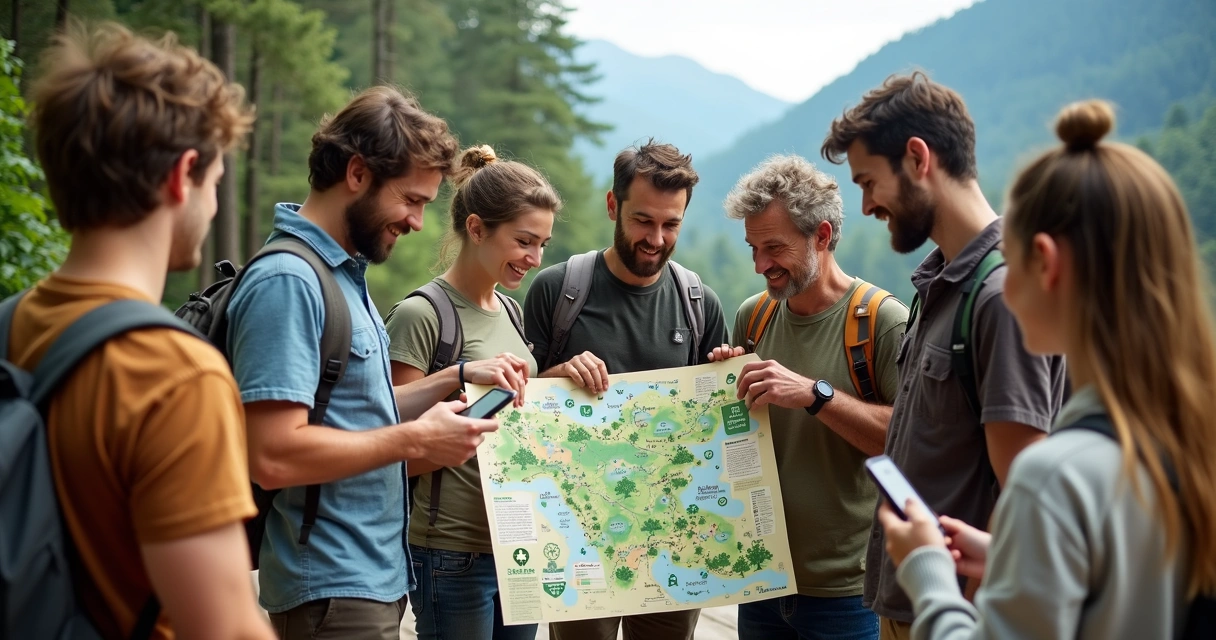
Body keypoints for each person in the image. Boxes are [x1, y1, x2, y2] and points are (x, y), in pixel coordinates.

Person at [878, 99, 1216, 639]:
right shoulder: (1187, 441)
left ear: (1046, 261)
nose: (1003, 283)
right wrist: (1013, 556)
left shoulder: (1054, 478)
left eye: (1009, 259)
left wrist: (928, 572)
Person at [5, 23, 272, 639]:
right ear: (183, 175)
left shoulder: (10, 325)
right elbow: (225, 628)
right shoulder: (173, 373)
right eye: (214, 183)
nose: (210, 207)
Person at [225, 86, 499, 639]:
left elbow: (354, 411)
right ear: (356, 173)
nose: (419, 221)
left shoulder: (340, 275)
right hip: (330, 588)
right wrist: (417, 442)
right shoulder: (290, 281)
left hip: (366, 581)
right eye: (412, 200)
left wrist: (456, 377)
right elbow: (274, 454)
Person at [820, 72, 1067, 640]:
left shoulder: (1001, 299)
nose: (865, 204)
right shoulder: (940, 284)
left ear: (916, 157)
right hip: (910, 608)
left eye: (868, 181)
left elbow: (1032, 499)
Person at [524, 140, 729, 640]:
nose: (656, 238)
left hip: (674, 541)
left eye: (671, 224)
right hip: (577, 538)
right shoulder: (557, 291)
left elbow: (714, 436)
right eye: (642, 220)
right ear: (613, 205)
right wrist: (554, 377)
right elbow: (514, 405)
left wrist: (728, 380)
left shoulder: (699, 303)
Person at [708, 155, 907, 640]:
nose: (760, 266)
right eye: (753, 248)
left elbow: (907, 445)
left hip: (848, 595)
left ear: (821, 235)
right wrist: (719, 385)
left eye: (773, 248)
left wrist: (815, 395)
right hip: (761, 580)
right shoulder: (753, 318)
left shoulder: (882, 322)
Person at [384, 145, 562, 640]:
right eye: (525, 241)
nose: (536, 258)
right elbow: (390, 452)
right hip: (450, 551)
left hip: (519, 543)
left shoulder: (512, 311)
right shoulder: (423, 315)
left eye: (543, 243)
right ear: (478, 228)